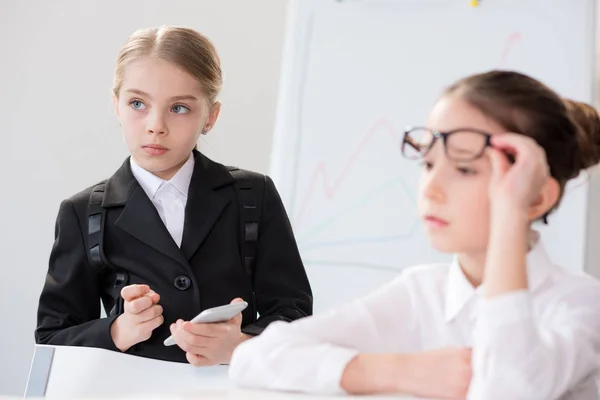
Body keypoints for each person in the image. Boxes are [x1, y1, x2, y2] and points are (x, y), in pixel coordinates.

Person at [229, 70, 600, 399]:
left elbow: (508, 388)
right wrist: (402, 370)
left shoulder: (580, 304)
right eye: (428, 163)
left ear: (536, 197)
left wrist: (509, 215)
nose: (431, 189)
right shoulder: (422, 292)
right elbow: (254, 358)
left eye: (466, 169)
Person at [35, 25, 313, 366]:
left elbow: (295, 313)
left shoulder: (254, 195)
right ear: (116, 106)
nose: (156, 125)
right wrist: (117, 331)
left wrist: (240, 345)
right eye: (138, 103)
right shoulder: (82, 213)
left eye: (179, 108)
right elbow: (51, 339)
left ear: (210, 117)